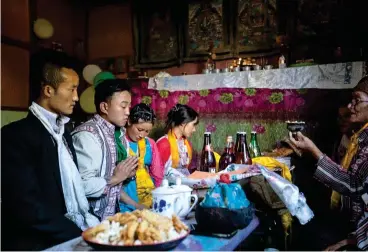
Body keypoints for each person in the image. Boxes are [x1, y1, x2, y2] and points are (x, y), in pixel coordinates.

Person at [1, 51, 99, 250]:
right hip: (38, 242)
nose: (76, 97)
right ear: (48, 90)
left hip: (71, 232)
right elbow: (26, 205)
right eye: (71, 89)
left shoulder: (64, 133)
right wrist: (78, 234)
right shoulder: (15, 136)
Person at [290, 76, 368, 249]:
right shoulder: (358, 137)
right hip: (349, 220)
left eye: (357, 101)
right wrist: (309, 153)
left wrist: (314, 151)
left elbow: (353, 184)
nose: (350, 106)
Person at [72, 78, 138, 220]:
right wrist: (115, 178)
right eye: (123, 106)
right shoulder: (87, 136)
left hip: (111, 219)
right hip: (88, 222)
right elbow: (80, 186)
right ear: (104, 107)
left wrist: (126, 176)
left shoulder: (118, 134)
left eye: (129, 107)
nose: (128, 112)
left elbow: (114, 189)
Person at [119, 103, 164, 212]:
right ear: (129, 121)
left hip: (149, 197)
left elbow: (157, 174)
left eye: (147, 131)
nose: (142, 135)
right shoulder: (118, 142)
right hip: (125, 200)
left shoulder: (150, 144)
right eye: (140, 129)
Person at [156, 104, 199, 176]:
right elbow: (156, 174)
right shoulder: (163, 144)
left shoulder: (186, 144)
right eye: (193, 124)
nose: (194, 130)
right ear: (183, 123)